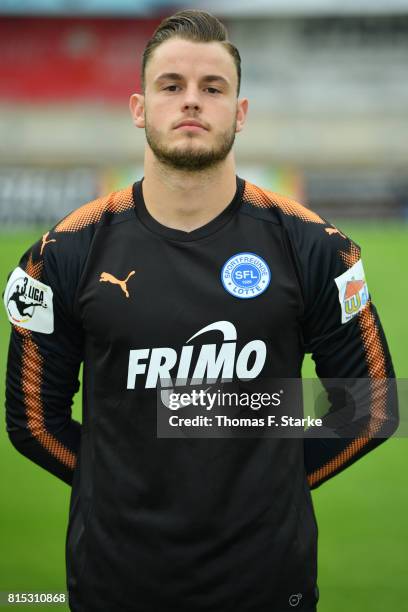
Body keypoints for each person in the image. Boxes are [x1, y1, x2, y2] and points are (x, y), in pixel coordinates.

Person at [4, 10, 398, 612]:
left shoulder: (317, 247)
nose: (192, 102)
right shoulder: (62, 254)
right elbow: (34, 421)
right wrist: (127, 473)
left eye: (212, 88)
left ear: (239, 112)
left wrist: (256, 460)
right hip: (115, 581)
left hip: (265, 583)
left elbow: (369, 408)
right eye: (172, 86)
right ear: (140, 107)